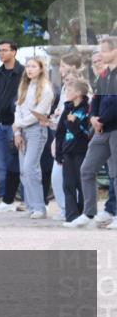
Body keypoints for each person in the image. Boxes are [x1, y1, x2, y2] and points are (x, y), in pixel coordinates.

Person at [73, 37, 117, 227]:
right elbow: (96, 100)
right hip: (101, 129)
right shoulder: (105, 74)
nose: (101, 54)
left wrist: (102, 120)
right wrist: (93, 117)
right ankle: (89, 213)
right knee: (87, 169)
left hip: (114, 128)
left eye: (105, 51)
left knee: (115, 173)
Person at [11, 57, 54, 219]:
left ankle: (39, 207)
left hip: (36, 130)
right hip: (22, 130)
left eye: (33, 66)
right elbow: (18, 109)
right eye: (28, 66)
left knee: (31, 168)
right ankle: (30, 205)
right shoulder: (25, 86)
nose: (29, 69)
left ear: (41, 69)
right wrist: (17, 132)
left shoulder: (46, 90)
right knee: (23, 170)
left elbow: (38, 114)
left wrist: (18, 124)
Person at [0, 40, 24, 212]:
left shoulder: (22, 73)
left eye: (4, 50)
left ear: (14, 52)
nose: (1, 53)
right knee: (0, 163)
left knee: (20, 162)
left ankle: (25, 199)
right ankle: (4, 198)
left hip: (15, 124)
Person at [47, 53, 84, 220]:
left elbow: (79, 111)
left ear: (72, 66)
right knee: (60, 177)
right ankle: (66, 210)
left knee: (74, 178)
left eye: (62, 66)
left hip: (75, 140)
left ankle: (76, 210)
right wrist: (56, 117)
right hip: (63, 136)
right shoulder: (64, 88)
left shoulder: (81, 86)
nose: (60, 69)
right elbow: (64, 111)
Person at [58, 79, 93, 225]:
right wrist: (59, 151)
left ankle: (83, 214)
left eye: (69, 90)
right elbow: (60, 131)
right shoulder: (68, 108)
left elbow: (86, 133)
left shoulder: (87, 110)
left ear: (78, 93)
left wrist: (74, 123)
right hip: (67, 151)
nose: (67, 93)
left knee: (80, 183)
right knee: (68, 184)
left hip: (81, 151)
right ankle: (71, 216)